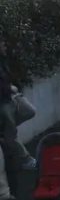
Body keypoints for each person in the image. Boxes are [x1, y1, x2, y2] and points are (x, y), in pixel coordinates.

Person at [0, 37, 33, 171]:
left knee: (29, 110)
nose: (5, 46)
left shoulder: (3, 60)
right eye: (2, 44)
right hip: (2, 102)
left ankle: (5, 131)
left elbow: (8, 78)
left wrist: (14, 88)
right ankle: (26, 159)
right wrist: (10, 89)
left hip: (10, 98)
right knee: (11, 134)